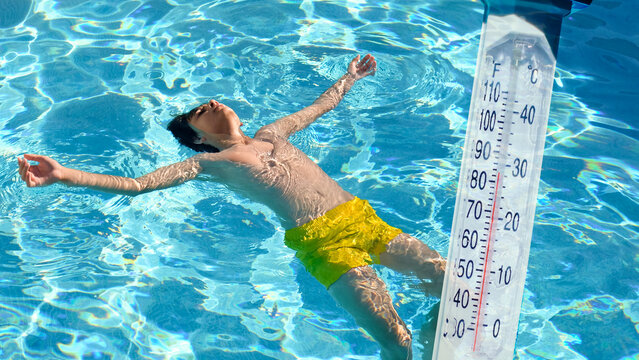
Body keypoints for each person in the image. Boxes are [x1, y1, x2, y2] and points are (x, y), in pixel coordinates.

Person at [17, 54, 445, 359]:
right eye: (202, 111)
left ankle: (436, 337)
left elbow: (320, 106)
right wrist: (66, 174)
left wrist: (348, 79)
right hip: (325, 246)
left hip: (361, 219)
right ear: (199, 136)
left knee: (447, 279)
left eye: (213, 101)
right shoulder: (208, 162)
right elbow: (136, 185)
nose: (214, 104)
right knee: (395, 342)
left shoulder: (272, 133)